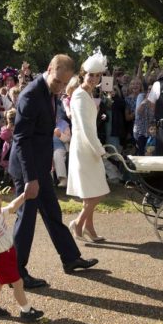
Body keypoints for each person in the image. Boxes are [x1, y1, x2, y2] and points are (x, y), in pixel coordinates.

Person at [9, 54, 98, 289]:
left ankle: (70, 258)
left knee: (52, 212)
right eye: (57, 81)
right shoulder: (30, 95)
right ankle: (16, 273)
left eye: (63, 83)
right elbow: (21, 140)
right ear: (49, 69)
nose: (59, 87)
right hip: (26, 168)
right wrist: (30, 179)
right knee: (26, 220)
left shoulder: (50, 93)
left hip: (39, 166)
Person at [0, 188, 44, 321]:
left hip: (9, 254)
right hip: (0, 259)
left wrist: (23, 196)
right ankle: (26, 310)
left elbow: (12, 207)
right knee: (18, 282)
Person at [66, 51, 110, 242]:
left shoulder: (87, 94)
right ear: (83, 73)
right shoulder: (80, 95)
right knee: (98, 191)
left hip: (87, 146)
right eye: (91, 74)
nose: (94, 78)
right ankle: (78, 222)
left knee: (92, 192)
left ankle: (89, 229)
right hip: (85, 148)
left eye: (97, 75)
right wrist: (100, 150)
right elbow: (85, 129)